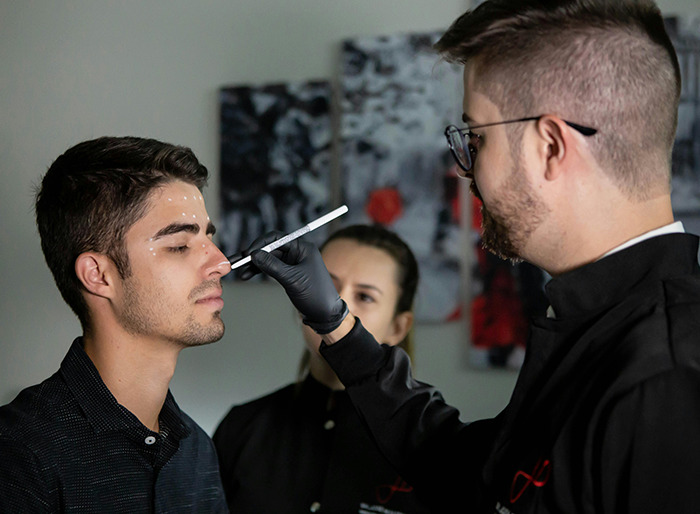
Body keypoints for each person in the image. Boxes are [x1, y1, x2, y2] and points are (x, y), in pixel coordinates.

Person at [240, 0, 700, 512]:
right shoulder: (599, 325)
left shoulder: (666, 380)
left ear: (550, 146)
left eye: (476, 139)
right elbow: (462, 466)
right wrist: (337, 324)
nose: (465, 170)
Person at [0, 136, 231, 512]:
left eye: (208, 237)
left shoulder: (196, 450)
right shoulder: (19, 456)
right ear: (98, 275)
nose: (221, 262)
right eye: (178, 246)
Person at [213, 224, 430, 513]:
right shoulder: (242, 428)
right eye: (325, 285)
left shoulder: (427, 443)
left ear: (399, 327)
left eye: (365, 296)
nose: (335, 304)